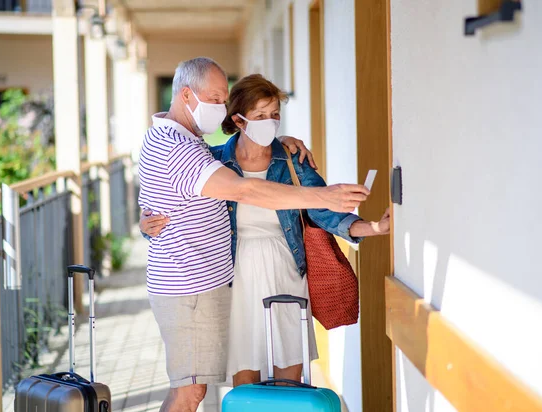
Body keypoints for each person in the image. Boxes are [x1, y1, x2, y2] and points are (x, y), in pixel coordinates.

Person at [138, 58, 370, 412]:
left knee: (276, 381)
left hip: (248, 276)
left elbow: (170, 198)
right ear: (187, 95)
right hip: (207, 285)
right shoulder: (192, 150)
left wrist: (282, 144)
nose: (219, 106)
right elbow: (245, 192)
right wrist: (324, 194)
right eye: (215, 98)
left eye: (273, 115)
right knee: (196, 391)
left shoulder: (196, 143)